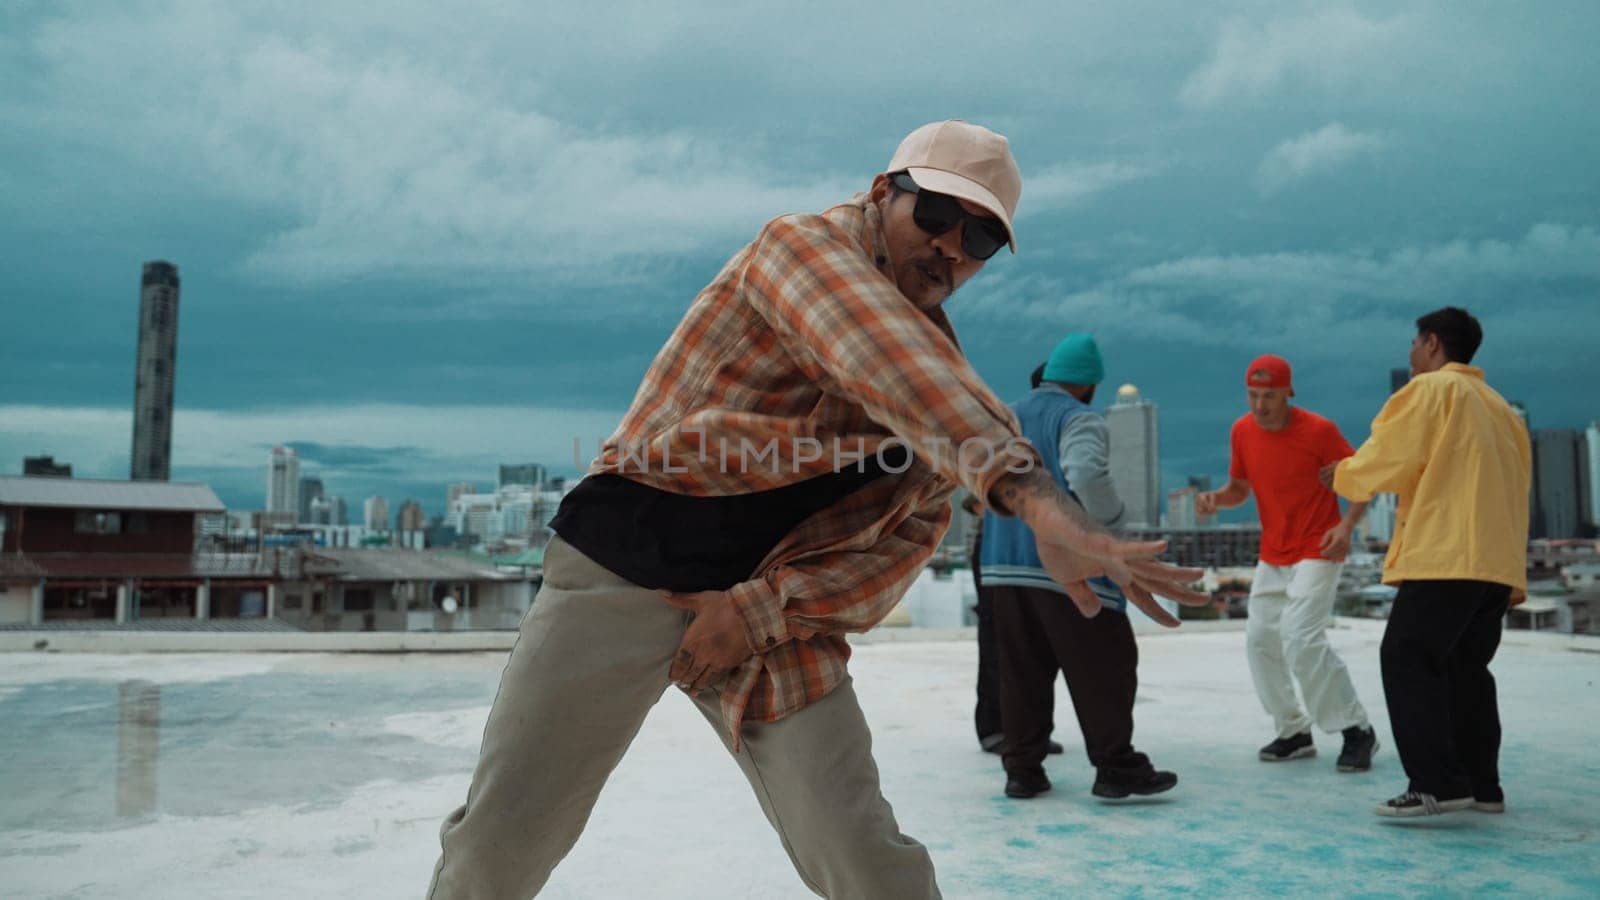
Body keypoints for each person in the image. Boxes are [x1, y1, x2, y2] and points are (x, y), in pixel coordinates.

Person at [426, 120, 1206, 899]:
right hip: (622, 570)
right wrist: (1036, 503)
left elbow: (895, 552)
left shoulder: (941, 377)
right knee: (503, 842)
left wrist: (759, 611)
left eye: (980, 239)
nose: (951, 249)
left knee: (868, 862)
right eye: (934, 215)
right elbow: (876, 351)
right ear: (881, 194)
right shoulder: (801, 250)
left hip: (767, 611)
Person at [1324, 307, 1530, 818]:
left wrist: (1342, 476)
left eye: (1415, 343)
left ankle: (1437, 783)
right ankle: (1484, 788)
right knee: (1466, 670)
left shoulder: (1431, 390)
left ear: (1433, 343)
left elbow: (1390, 457)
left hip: (1446, 555)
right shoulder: (1502, 409)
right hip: (1494, 564)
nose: (1411, 353)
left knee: (1407, 659)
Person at [979, 334, 1178, 800]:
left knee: (1020, 671)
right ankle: (1116, 767)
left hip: (1004, 567)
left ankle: (1023, 769)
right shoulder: (1078, 417)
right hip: (1072, 566)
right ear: (1089, 386)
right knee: (1105, 663)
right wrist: (1109, 529)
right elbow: (1084, 472)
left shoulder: (1004, 416)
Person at [1195, 355, 1379, 772]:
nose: (1260, 406)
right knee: (1260, 640)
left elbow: (1361, 480)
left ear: (1288, 393)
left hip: (1319, 546)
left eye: (1270, 397)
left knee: (1300, 639)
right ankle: (1293, 730)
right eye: (1253, 396)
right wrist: (1215, 501)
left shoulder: (1319, 431)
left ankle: (1357, 729)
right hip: (1274, 551)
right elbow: (1240, 487)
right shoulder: (1242, 431)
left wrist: (1347, 525)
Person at [966, 364, 1062, 758]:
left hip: (1027, 550)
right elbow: (972, 497)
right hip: (997, 550)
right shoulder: (1010, 428)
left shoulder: (1045, 427)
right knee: (999, 638)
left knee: (1031, 643)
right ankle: (993, 728)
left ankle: (1026, 731)